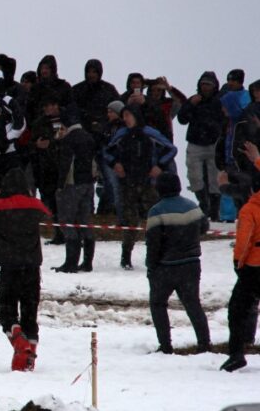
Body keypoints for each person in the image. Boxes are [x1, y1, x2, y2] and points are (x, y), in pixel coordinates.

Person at [0, 168, 51, 372]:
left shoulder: (0, 206)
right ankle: (29, 358)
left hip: (9, 266)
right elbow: (47, 212)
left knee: (7, 311)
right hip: (32, 266)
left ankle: (19, 342)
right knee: (30, 313)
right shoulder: (35, 205)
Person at [145, 172, 211, 354]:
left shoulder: (156, 211)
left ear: (159, 189)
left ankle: (165, 346)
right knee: (193, 304)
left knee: (158, 305)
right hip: (191, 265)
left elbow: (153, 244)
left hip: (165, 267)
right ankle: (204, 343)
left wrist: (151, 267)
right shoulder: (192, 207)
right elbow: (204, 227)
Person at [106, 104, 178, 270]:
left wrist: (160, 165)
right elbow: (107, 152)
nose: (125, 119)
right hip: (127, 183)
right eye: (124, 116)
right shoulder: (121, 133)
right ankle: (126, 257)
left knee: (154, 221)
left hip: (148, 184)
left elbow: (171, 149)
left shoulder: (149, 133)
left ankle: (155, 254)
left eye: (128, 115)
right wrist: (115, 163)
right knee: (130, 221)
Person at [223, 162, 260, 373]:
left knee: (237, 310)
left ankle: (236, 353)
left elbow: (244, 241)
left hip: (254, 268)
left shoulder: (250, 209)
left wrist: (238, 263)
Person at [178, 71, 226, 222]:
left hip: (214, 144)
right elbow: (182, 119)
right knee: (194, 177)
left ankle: (214, 210)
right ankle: (203, 203)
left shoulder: (219, 101)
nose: (205, 87)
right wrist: (190, 105)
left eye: (208, 84)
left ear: (214, 86)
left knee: (215, 180)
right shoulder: (194, 100)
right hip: (195, 143)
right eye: (203, 84)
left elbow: (225, 121)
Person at [53, 110, 97, 273]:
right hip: (88, 184)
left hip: (72, 184)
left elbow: (66, 165)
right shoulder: (88, 137)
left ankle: (70, 263)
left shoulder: (69, 140)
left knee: (67, 221)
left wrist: (59, 186)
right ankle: (87, 262)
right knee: (85, 221)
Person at [30, 96, 65, 245]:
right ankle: (59, 233)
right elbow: (31, 144)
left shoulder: (67, 119)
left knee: (68, 203)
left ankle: (72, 235)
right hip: (46, 168)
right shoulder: (39, 123)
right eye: (45, 106)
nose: (48, 109)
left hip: (64, 167)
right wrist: (37, 145)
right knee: (52, 202)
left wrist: (53, 143)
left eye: (50, 105)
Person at [98, 100, 127, 221]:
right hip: (110, 161)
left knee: (115, 188)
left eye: (111, 112)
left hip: (119, 161)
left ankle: (117, 215)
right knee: (113, 187)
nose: (108, 114)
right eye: (108, 111)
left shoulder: (124, 127)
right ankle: (116, 215)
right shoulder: (107, 127)